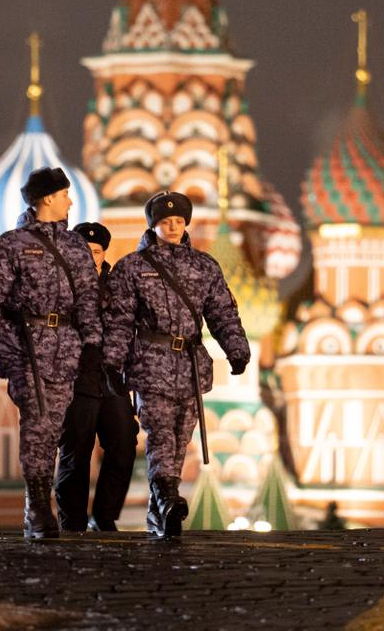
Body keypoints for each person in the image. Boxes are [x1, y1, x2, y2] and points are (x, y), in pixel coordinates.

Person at [103, 191, 250, 539]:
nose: (172, 227)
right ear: (152, 225)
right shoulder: (132, 268)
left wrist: (236, 350)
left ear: (186, 224)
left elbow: (222, 312)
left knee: (181, 436)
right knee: (160, 434)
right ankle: (169, 495)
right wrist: (112, 362)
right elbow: (120, 320)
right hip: (150, 363)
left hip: (190, 366)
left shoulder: (204, 266)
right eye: (165, 222)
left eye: (179, 221)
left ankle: (160, 512)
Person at [0, 167, 102, 540]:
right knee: (39, 424)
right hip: (27, 346)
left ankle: (42, 501)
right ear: (47, 199)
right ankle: (38, 506)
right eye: (64, 195)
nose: (70, 201)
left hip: (67, 349)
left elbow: (89, 299)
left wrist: (92, 344)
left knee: (54, 426)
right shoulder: (11, 245)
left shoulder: (75, 246)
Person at [54, 221, 139, 532]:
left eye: (96, 252)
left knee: (124, 443)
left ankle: (104, 516)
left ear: (104, 254)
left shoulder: (120, 286)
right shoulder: (59, 286)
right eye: (83, 252)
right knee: (76, 452)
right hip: (75, 378)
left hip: (111, 378)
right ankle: (72, 522)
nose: (90, 258)